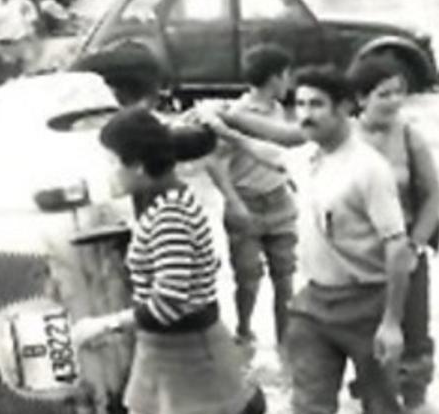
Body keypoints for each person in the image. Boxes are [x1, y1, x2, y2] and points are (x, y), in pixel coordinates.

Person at [205, 66, 414, 414]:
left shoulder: (368, 169)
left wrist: (392, 323)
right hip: (314, 303)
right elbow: (274, 156)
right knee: (307, 406)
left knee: (381, 405)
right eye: (300, 104)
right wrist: (227, 133)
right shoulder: (309, 157)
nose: (305, 114)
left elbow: (397, 245)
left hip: (366, 304)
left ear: (345, 107)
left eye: (316, 105)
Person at [71, 108, 267, 414]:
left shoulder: (169, 214)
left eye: (112, 162)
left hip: (189, 356)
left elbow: (169, 301)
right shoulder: (166, 202)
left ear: (137, 166)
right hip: (167, 352)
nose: (109, 172)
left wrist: (105, 325)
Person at [347, 56, 439, 411]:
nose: (394, 101)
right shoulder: (343, 137)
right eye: (383, 94)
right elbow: (287, 139)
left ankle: (416, 403)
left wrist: (415, 246)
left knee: (414, 343)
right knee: (365, 343)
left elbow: (433, 196)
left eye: (398, 93)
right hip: (357, 256)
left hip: (404, 253)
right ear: (360, 99)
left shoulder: (410, 136)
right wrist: (227, 123)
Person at [204, 44, 299, 349]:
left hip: (279, 200)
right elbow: (214, 162)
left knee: (285, 278)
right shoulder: (236, 114)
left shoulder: (279, 112)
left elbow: (281, 152)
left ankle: (286, 343)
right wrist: (233, 202)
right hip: (247, 202)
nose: (290, 83)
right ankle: (244, 331)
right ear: (274, 78)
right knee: (248, 279)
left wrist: (290, 180)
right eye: (287, 76)